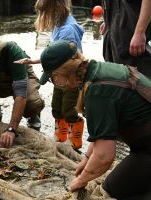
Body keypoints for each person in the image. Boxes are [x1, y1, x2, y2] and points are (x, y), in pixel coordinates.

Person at [39, 40, 151, 199]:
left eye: (52, 79)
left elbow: (105, 156)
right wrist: (85, 159)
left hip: (146, 150)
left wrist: (81, 180)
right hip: (143, 145)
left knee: (111, 192)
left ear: (59, 74)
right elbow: (102, 134)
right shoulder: (95, 70)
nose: (55, 84)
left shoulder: (97, 91)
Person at [28, 0, 85, 150]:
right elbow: (54, 53)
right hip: (58, 76)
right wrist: (36, 61)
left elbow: (73, 58)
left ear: (57, 8)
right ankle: (60, 137)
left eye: (45, 13)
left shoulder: (68, 30)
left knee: (69, 109)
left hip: (71, 78)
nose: (43, 17)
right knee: (56, 107)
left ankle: (75, 143)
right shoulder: (58, 24)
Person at [101, 0, 151, 78]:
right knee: (114, 79)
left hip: (131, 34)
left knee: (137, 81)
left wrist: (140, 31)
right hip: (112, 32)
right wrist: (108, 20)